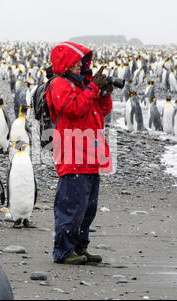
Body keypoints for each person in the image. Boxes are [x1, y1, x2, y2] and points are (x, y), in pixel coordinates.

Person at [46, 42, 113, 265]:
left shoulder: (83, 83)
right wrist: (93, 88)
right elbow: (73, 108)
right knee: (71, 205)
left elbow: (103, 111)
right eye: (75, 61)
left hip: (91, 154)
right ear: (64, 63)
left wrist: (104, 93)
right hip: (72, 152)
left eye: (81, 61)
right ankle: (63, 251)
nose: (79, 64)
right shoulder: (59, 84)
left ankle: (79, 246)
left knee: (87, 207)